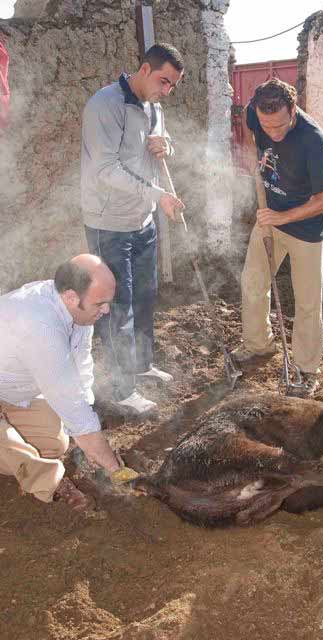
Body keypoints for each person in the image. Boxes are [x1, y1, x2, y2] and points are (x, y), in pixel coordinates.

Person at [81, 42, 185, 414]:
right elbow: (105, 170)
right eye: (163, 81)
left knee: (144, 295)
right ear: (144, 69)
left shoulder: (154, 107)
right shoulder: (104, 105)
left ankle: (141, 365)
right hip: (109, 224)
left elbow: (159, 146)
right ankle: (122, 391)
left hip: (142, 220)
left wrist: (165, 146)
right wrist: (158, 195)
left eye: (172, 86)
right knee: (118, 305)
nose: (166, 91)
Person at [0, 255, 136, 511]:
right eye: (101, 303)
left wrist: (88, 433)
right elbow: (70, 404)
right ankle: (50, 482)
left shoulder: (78, 314)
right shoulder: (40, 325)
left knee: (53, 444)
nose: (106, 310)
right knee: (25, 452)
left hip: (10, 392)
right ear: (72, 296)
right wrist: (113, 467)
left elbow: (81, 367)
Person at [232, 78, 323, 397]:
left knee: (307, 302)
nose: (273, 133)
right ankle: (258, 344)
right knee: (252, 282)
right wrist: (255, 157)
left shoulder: (312, 140)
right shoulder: (255, 114)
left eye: (280, 126)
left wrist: (283, 217)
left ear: (293, 110)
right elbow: (252, 132)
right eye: (268, 126)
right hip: (269, 216)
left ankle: (307, 369)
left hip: (304, 228)